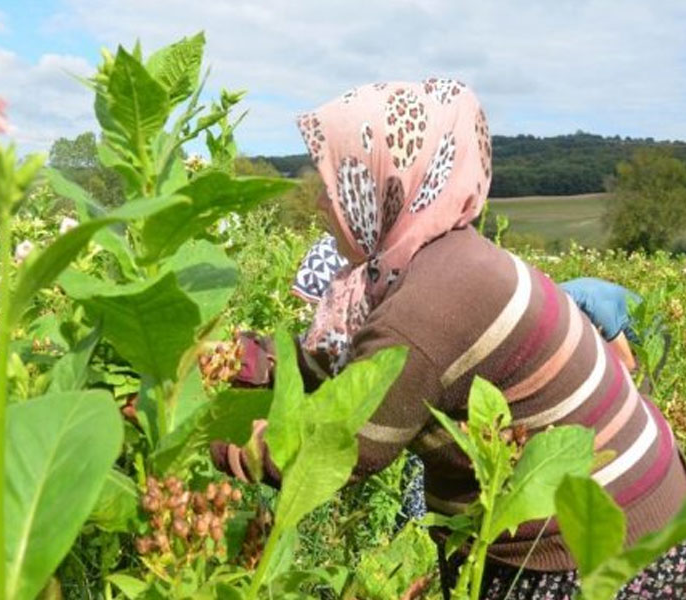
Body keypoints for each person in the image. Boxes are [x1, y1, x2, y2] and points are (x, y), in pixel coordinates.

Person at [211, 80, 686, 599]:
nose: (323, 203)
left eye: (338, 182)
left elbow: (344, 447)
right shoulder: (445, 256)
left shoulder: (424, 305)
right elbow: (353, 371)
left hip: (590, 549)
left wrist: (196, 437)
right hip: (645, 500)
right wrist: (236, 359)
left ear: (382, 186)